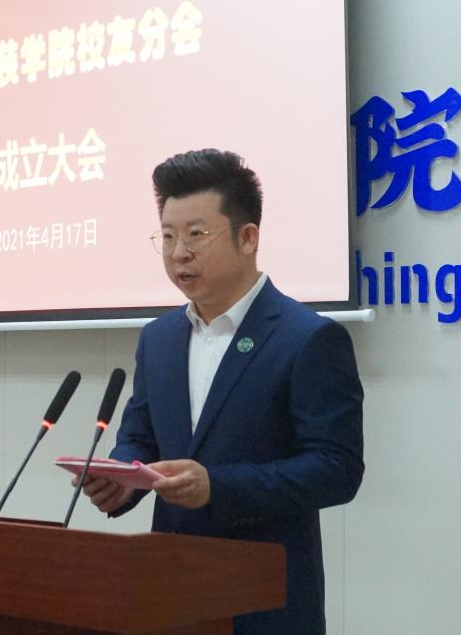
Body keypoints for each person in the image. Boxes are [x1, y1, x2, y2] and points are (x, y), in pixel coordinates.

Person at [78, 149, 364, 635]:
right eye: (168, 236)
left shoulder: (308, 338)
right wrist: (123, 478)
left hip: (265, 604)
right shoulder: (158, 339)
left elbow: (337, 470)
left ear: (248, 237)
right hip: (169, 595)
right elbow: (139, 438)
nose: (179, 253)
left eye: (196, 234)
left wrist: (217, 486)